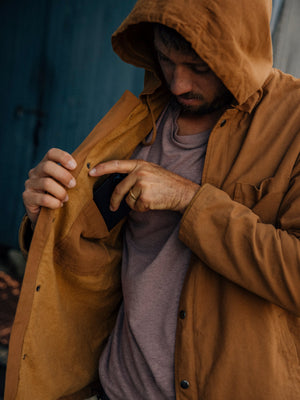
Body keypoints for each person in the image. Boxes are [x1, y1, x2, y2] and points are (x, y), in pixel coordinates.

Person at [5, 0, 300, 399]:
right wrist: (47, 212)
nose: (178, 84)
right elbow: (93, 248)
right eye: (166, 60)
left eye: (198, 67)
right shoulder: (140, 119)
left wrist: (188, 200)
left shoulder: (293, 125)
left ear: (241, 51)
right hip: (117, 388)